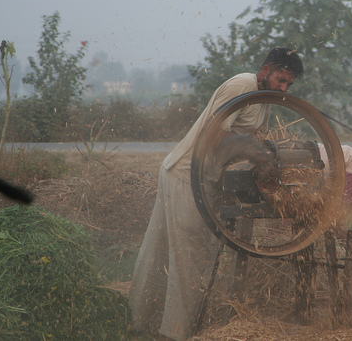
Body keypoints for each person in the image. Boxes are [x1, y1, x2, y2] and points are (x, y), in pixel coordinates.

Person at [129, 48, 303, 340]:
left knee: (165, 250)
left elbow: (251, 139)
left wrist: (265, 159)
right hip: (185, 175)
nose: (283, 88)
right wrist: (260, 158)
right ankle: (175, 333)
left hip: (198, 177)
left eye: (289, 85)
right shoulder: (243, 85)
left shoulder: (262, 99)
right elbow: (216, 132)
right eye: (280, 79)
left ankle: (142, 324)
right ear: (266, 70)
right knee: (191, 256)